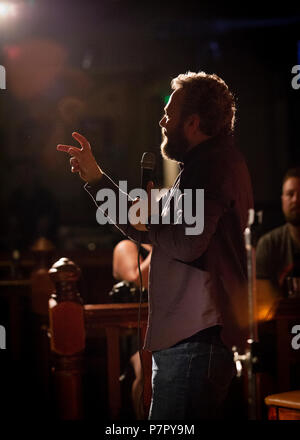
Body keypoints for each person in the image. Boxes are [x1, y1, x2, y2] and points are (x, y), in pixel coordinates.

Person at [57, 71, 254, 419]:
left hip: (197, 337)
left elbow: (187, 242)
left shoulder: (211, 165)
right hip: (192, 338)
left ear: (192, 122)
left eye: (170, 112)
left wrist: (151, 221)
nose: (161, 120)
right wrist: (96, 179)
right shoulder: (201, 165)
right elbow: (147, 228)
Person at [112, 239, 152, 419]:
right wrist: (162, 245)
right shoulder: (126, 246)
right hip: (139, 332)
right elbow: (138, 278)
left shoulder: (180, 244)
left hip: (175, 323)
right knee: (147, 374)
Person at [256, 167, 300, 308]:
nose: (296, 200)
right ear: (282, 200)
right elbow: (262, 303)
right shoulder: (268, 245)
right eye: (290, 194)